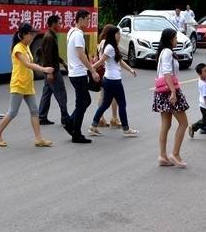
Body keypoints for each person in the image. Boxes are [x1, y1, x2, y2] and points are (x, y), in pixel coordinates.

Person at [0, 23, 55, 147]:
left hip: (27, 84)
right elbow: (27, 64)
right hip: (19, 84)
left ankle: (38, 139)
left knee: (35, 111)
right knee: (13, 112)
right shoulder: (18, 48)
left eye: (33, 34)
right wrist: (45, 69)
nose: (33, 36)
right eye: (31, 34)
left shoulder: (26, 47)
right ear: (23, 35)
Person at [88, 24, 139, 137]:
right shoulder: (110, 47)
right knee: (122, 103)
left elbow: (120, 61)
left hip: (111, 79)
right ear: (113, 35)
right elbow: (102, 61)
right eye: (118, 34)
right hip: (113, 80)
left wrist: (130, 70)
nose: (120, 36)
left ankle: (93, 126)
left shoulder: (113, 46)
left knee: (105, 104)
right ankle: (126, 128)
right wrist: (91, 69)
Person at [152, 28, 190, 166]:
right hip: (170, 90)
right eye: (175, 38)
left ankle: (163, 156)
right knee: (183, 123)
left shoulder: (163, 52)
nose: (177, 41)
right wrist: (173, 92)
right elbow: (167, 72)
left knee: (166, 124)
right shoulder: (167, 52)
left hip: (162, 91)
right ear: (170, 39)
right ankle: (175, 154)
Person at [65, 10, 100, 144]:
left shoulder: (71, 32)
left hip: (74, 73)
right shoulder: (78, 34)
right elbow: (81, 55)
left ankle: (70, 123)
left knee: (84, 101)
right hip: (78, 73)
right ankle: (76, 133)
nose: (88, 22)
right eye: (87, 19)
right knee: (82, 102)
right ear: (80, 19)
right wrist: (92, 71)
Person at [38, 14, 69, 126]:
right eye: (59, 23)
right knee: (61, 93)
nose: (60, 25)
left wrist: (63, 62)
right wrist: (50, 72)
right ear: (54, 24)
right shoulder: (49, 37)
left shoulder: (51, 35)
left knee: (46, 93)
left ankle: (41, 117)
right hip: (53, 71)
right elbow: (47, 56)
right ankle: (65, 118)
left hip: (50, 70)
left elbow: (53, 55)